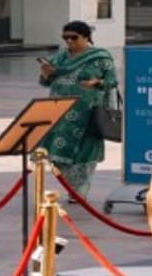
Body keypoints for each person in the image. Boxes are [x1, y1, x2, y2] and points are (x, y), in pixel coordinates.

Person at [36, 21, 118, 200]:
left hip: (86, 113)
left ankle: (79, 189)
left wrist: (97, 82)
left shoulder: (100, 57)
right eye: (65, 38)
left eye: (74, 37)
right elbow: (46, 82)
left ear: (86, 37)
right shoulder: (61, 57)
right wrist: (45, 73)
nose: (69, 41)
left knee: (85, 150)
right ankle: (69, 185)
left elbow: (112, 81)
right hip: (59, 111)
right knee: (56, 151)